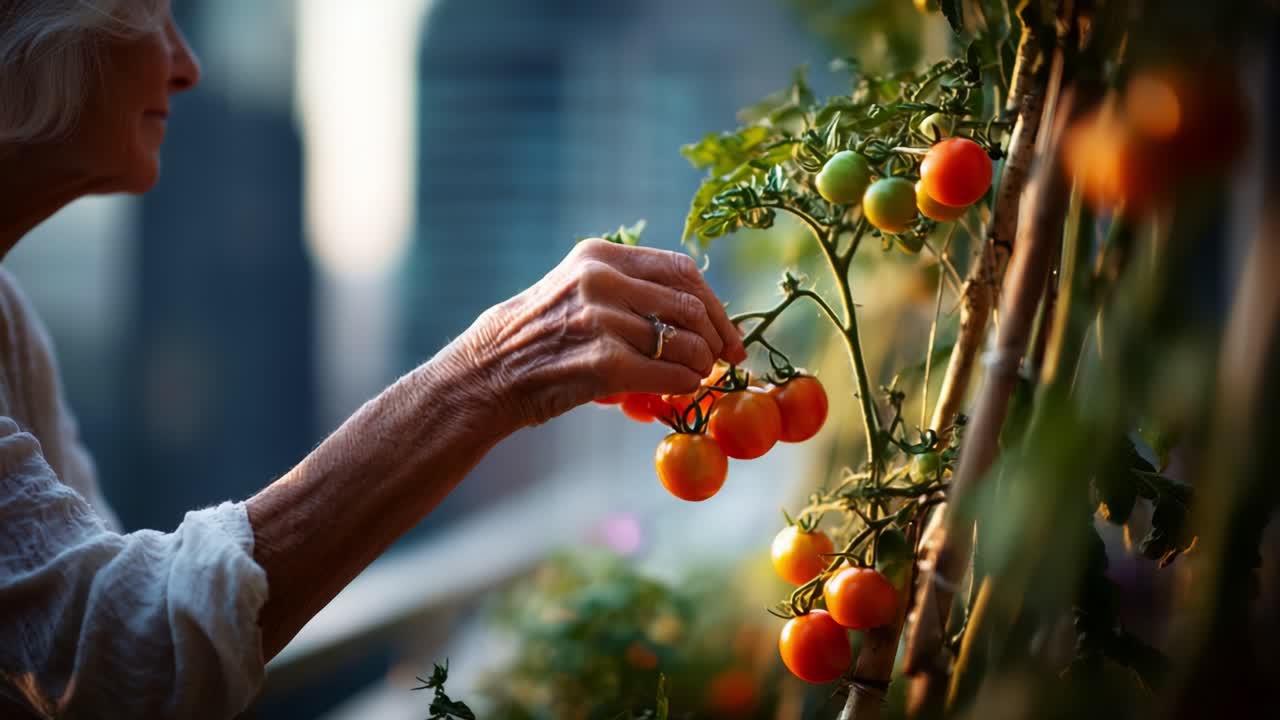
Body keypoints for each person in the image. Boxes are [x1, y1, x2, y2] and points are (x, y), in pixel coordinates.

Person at [0, 2, 747, 717]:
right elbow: (116, 667)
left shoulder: (11, 320)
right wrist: (488, 372)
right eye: (150, 18)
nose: (186, 64)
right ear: (27, 34)